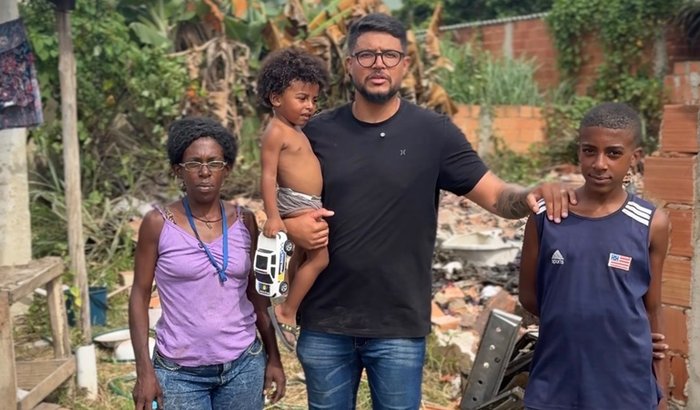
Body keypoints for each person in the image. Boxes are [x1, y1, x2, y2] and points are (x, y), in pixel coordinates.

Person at [281, 13, 580, 409]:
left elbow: (495, 195)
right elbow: (284, 205)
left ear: (405, 64)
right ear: (349, 63)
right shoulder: (316, 133)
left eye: (390, 55)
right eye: (367, 55)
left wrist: (530, 195)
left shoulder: (433, 133)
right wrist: (291, 227)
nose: (378, 64)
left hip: (399, 325)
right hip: (325, 321)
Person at [518, 102, 669, 409]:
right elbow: (530, 297)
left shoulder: (651, 223)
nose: (600, 164)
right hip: (556, 383)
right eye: (590, 151)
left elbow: (652, 308)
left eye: (613, 153)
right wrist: (574, 319)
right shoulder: (548, 217)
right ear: (579, 151)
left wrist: (662, 390)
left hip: (627, 388)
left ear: (634, 157)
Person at [128, 117, 285, 410]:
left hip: (243, 365)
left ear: (227, 169)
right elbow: (139, 295)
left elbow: (256, 294)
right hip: (179, 373)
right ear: (178, 170)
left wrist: (273, 357)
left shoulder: (245, 220)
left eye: (214, 163)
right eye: (194, 163)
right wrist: (144, 371)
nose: (204, 172)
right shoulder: (157, 224)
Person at [256, 47, 330, 351]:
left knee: (300, 258)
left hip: (307, 202)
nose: (310, 106)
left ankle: (289, 304)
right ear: (276, 98)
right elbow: (268, 176)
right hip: (296, 202)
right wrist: (273, 217)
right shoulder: (276, 132)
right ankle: (286, 311)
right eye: (302, 98)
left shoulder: (296, 129)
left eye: (314, 99)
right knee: (320, 259)